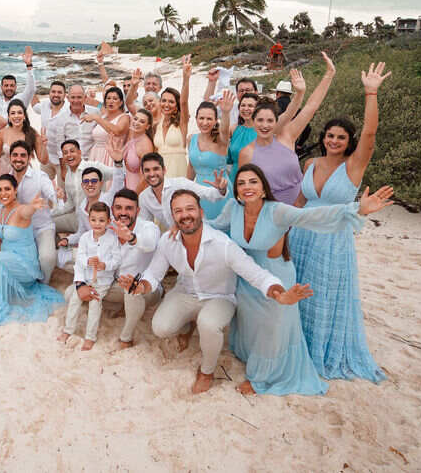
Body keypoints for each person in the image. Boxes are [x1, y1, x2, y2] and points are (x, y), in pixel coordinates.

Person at [206, 165, 394, 395]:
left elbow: (313, 215)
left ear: (264, 188)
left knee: (273, 327)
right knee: (251, 323)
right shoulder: (233, 208)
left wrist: (357, 209)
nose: (247, 187)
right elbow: (213, 227)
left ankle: (265, 377)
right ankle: (251, 357)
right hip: (247, 277)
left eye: (253, 182)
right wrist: (184, 222)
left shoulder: (277, 211)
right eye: (242, 183)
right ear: (236, 190)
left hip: (277, 276)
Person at [121, 189, 308, 395]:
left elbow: (257, 274)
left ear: (201, 212)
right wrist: (141, 287)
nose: (185, 215)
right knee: (161, 328)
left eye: (190, 209)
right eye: (179, 211)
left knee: (208, 324)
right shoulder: (168, 241)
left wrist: (279, 293)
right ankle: (189, 324)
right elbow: (153, 274)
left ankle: (207, 371)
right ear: (173, 217)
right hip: (185, 293)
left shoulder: (223, 244)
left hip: (219, 297)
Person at [291, 62, 392, 383]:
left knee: (323, 296)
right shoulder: (310, 162)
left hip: (333, 240)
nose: (334, 140)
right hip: (301, 238)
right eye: (330, 135)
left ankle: (320, 351)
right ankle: (297, 348)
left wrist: (371, 93)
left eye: (341, 137)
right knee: (299, 295)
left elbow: (371, 133)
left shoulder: (353, 166)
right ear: (324, 138)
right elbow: (299, 203)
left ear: (349, 142)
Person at [0, 175, 65, 324]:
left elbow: (27, 211)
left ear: (15, 190)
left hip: (24, 265)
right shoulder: (3, 211)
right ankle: (0, 283)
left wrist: (33, 207)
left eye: (7, 189)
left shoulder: (21, 211)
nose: (3, 193)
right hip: (7, 260)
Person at [240, 54, 336, 204]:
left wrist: (329, 74)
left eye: (270, 120)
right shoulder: (246, 152)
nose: (265, 125)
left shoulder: (287, 135)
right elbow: (246, 192)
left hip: (302, 208)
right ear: (253, 121)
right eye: (260, 120)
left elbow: (311, 107)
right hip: (271, 214)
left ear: (277, 121)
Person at [0, 141, 58, 282]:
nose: (18, 159)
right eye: (15, 155)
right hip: (16, 233)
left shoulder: (40, 176)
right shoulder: (6, 180)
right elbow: (0, 209)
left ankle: (44, 282)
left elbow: (52, 195)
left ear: (29, 157)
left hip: (40, 227)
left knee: (47, 258)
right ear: (10, 157)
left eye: (23, 155)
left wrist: (57, 195)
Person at [59, 202, 121, 350]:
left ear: (108, 221)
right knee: (74, 300)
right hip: (86, 279)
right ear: (89, 220)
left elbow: (117, 260)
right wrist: (87, 261)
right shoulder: (85, 238)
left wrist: (105, 265)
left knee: (95, 305)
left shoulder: (112, 238)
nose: (97, 223)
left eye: (101, 220)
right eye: (93, 220)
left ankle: (90, 337)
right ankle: (68, 330)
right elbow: (79, 261)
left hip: (102, 281)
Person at [55, 140, 126, 267]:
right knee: (62, 258)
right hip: (92, 245)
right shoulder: (83, 206)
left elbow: (118, 181)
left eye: (94, 181)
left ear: (100, 182)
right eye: (86, 182)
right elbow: (82, 231)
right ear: (82, 185)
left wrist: (118, 163)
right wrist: (67, 240)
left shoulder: (107, 199)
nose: (90, 184)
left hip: (110, 251)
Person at [105, 189, 162, 348]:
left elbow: (149, 244)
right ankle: (120, 307)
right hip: (117, 284)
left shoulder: (149, 228)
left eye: (129, 208)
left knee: (131, 289)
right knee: (72, 293)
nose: (123, 213)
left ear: (138, 210)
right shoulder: (107, 228)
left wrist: (131, 238)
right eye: (119, 208)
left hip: (147, 288)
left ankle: (126, 338)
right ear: (112, 209)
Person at [138, 152, 226, 230]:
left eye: (156, 169)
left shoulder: (181, 184)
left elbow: (209, 194)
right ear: (142, 173)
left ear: (164, 170)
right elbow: (146, 227)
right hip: (175, 239)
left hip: (199, 232)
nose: (152, 174)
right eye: (147, 170)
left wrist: (221, 189)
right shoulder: (143, 197)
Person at [187, 91, 235, 218]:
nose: (205, 122)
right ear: (196, 118)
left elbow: (225, 131)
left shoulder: (220, 140)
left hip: (220, 190)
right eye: (201, 118)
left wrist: (225, 113)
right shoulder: (191, 139)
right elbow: (191, 168)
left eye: (209, 119)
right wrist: (186, 190)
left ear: (215, 121)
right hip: (199, 191)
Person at [52, 139, 114, 234]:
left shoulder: (94, 166)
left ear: (80, 152)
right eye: (65, 153)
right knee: (46, 223)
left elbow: (117, 174)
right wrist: (50, 213)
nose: (69, 155)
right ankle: (63, 246)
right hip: (78, 219)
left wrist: (118, 161)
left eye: (72, 151)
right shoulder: (68, 176)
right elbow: (70, 204)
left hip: (98, 220)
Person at [153, 55, 192, 178]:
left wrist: (186, 78)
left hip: (178, 173)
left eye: (171, 102)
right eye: (163, 101)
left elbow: (184, 102)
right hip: (160, 175)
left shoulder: (182, 122)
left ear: (176, 106)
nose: (166, 104)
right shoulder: (156, 124)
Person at [32, 81, 80, 179]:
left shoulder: (69, 111)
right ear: (49, 93)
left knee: (64, 190)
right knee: (44, 189)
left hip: (64, 160)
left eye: (59, 92)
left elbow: (71, 142)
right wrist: (31, 90)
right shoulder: (45, 105)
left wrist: (64, 168)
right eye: (53, 92)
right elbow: (35, 106)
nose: (56, 95)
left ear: (65, 95)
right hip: (47, 157)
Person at [0, 99, 45, 177]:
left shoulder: (32, 133)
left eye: (19, 113)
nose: (16, 116)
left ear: (24, 116)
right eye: (13, 113)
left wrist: (43, 145)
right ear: (9, 117)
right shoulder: (3, 132)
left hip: (23, 172)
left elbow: (43, 160)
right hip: (3, 170)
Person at [82, 86, 131, 167]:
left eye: (115, 99)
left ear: (121, 102)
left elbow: (117, 131)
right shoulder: (103, 116)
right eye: (108, 98)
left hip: (111, 155)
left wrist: (97, 118)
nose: (111, 101)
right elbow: (96, 104)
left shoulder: (124, 117)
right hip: (95, 154)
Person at [121, 108, 154, 191]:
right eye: (135, 119)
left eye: (142, 121)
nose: (136, 123)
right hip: (126, 185)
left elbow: (145, 177)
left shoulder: (145, 145)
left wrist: (135, 195)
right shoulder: (132, 136)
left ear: (147, 126)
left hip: (137, 189)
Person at [64, 84, 96, 154]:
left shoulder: (95, 113)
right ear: (68, 98)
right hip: (71, 162)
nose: (76, 100)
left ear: (85, 97)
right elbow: (59, 145)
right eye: (73, 97)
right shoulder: (61, 117)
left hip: (92, 160)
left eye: (79, 97)